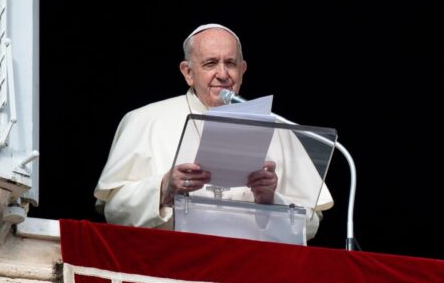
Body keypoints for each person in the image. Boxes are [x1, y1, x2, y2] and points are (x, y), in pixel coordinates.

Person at [94, 24, 333, 239]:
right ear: (188, 72)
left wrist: (271, 201)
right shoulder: (145, 120)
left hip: (253, 266)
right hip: (172, 264)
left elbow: (311, 225)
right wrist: (164, 189)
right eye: (210, 64)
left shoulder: (278, 128)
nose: (222, 74)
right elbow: (114, 212)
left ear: (243, 70)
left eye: (230, 63)